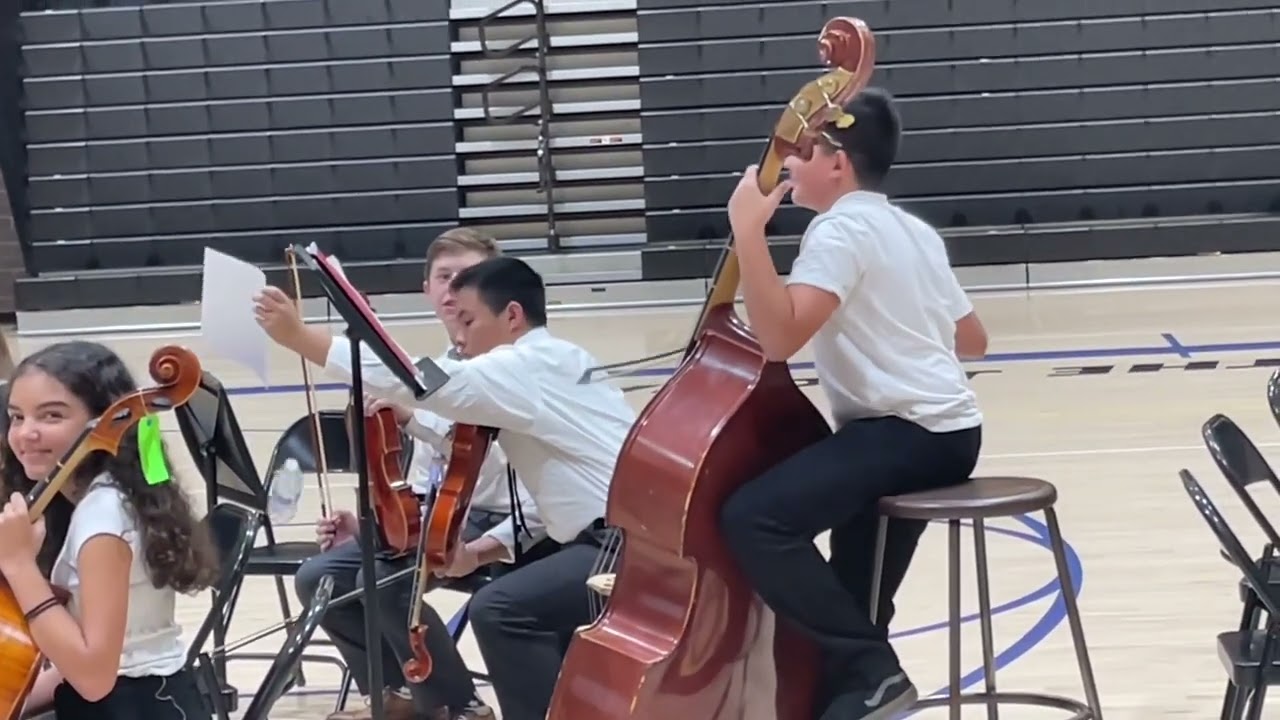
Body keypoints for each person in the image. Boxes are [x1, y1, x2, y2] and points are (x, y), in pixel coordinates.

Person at [254, 255, 634, 720]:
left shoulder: (528, 364)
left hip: (620, 544)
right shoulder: (549, 365)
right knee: (474, 602)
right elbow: (451, 430)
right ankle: (419, 702)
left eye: (470, 321)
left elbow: (427, 385)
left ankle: (464, 708)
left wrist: (302, 339)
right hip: (604, 534)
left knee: (499, 611)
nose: (459, 337)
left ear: (512, 316)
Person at [717, 87, 987, 720]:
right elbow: (973, 339)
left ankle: (874, 671)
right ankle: (859, 691)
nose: (786, 166)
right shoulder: (908, 228)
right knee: (858, 597)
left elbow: (781, 338)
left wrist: (748, 234)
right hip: (950, 433)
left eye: (802, 152)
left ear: (838, 162)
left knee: (754, 519)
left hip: (903, 434)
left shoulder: (837, 229)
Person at [291, 228, 537, 720]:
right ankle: (397, 696)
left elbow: (534, 503)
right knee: (318, 576)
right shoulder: (432, 371)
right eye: (444, 278)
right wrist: (370, 527)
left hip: (506, 530)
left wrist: (480, 551)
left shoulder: (518, 366)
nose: (453, 291)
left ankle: (459, 707)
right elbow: (426, 489)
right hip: (443, 524)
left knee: (385, 581)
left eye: (468, 279)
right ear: (426, 288)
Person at [0, 341, 220, 720]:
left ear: (103, 422)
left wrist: (19, 566)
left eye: (51, 416)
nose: (25, 434)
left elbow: (94, 676)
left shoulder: (101, 519)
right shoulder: (102, 498)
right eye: (17, 417)